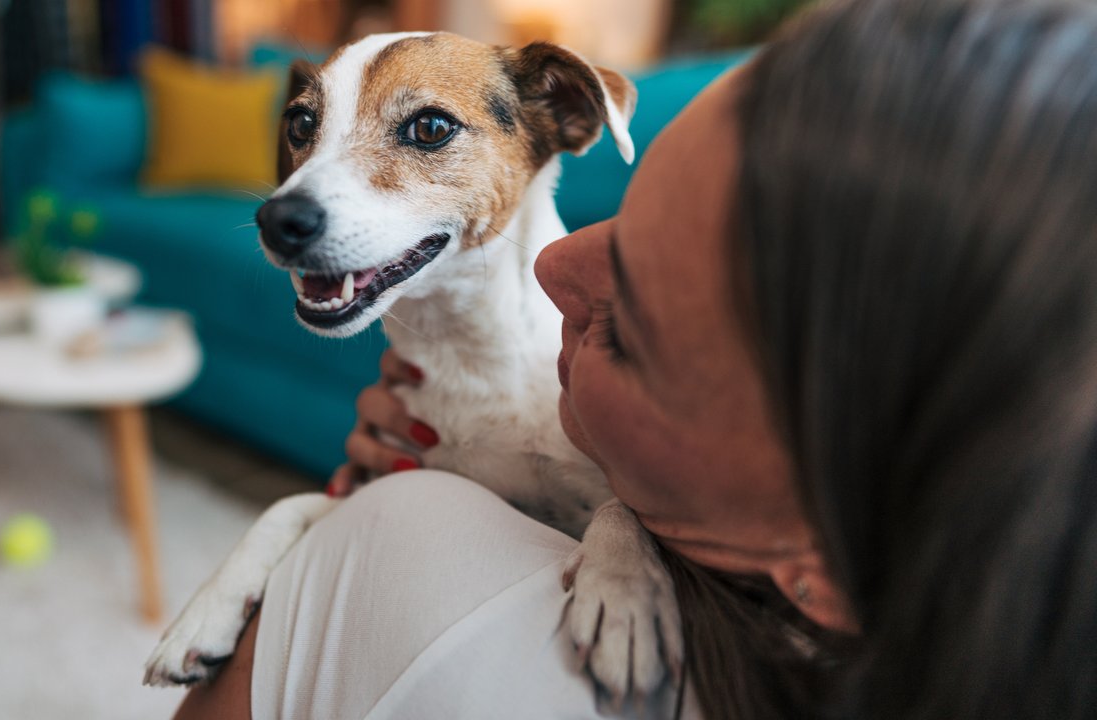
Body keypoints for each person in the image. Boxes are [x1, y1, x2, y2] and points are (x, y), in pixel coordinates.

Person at [175, 0, 1097, 717]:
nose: (554, 266)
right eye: (306, 126)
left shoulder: (410, 559)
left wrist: (350, 541)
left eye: (636, 322)